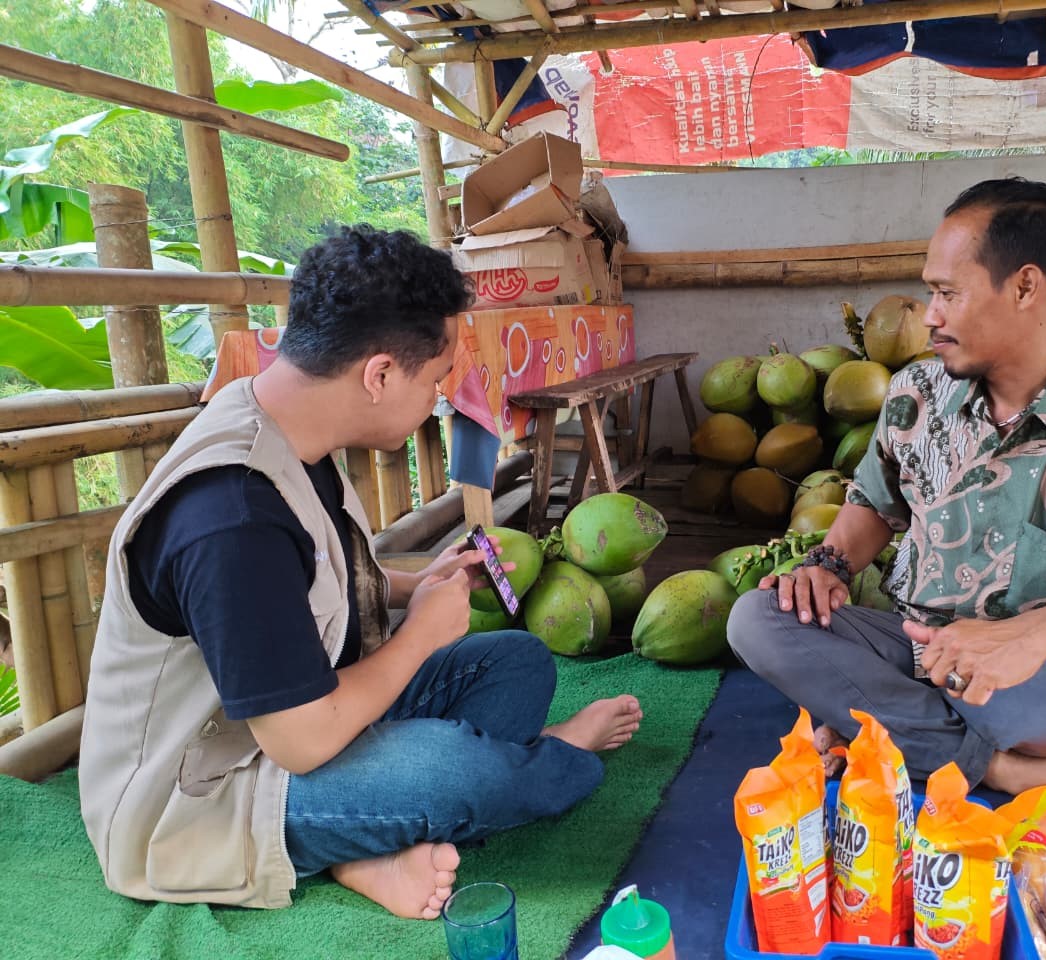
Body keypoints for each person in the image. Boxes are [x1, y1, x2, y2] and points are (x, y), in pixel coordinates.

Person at [80, 224, 642, 918]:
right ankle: (540, 761)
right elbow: (302, 738)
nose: (439, 398)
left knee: (518, 664)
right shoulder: (230, 516)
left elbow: (306, 584)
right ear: (379, 374)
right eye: (435, 379)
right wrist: (421, 636)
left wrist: (416, 583)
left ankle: (369, 840)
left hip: (302, 729)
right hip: (210, 796)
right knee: (454, 771)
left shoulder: (288, 424)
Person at [728, 178, 1046, 815]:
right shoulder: (916, 394)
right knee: (758, 619)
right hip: (919, 651)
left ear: (1025, 287)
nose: (929, 314)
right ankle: (1003, 765)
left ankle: (888, 730)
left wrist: (1035, 637)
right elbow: (875, 505)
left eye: (946, 292)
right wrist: (826, 567)